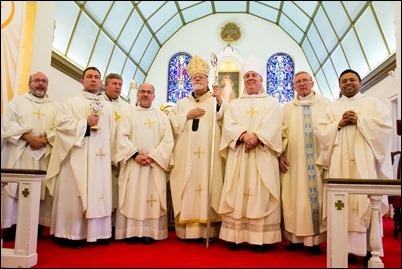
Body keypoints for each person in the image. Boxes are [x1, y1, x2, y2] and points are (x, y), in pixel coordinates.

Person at [315, 69, 393, 266]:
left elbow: (385, 129)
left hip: (364, 162)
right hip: (339, 162)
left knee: (366, 203)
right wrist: (338, 124)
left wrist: (360, 120)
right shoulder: (331, 108)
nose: (348, 83)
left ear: (360, 82)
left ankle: (369, 249)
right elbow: (320, 132)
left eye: (352, 80)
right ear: (339, 85)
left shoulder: (372, 104)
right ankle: (345, 249)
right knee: (342, 205)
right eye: (344, 81)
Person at [44, 66, 115, 249]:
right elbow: (61, 124)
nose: (93, 80)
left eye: (96, 77)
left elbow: (112, 134)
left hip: (100, 160)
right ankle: (70, 234)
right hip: (76, 157)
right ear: (81, 81)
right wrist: (85, 124)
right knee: (75, 194)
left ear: (101, 82)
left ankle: (98, 233)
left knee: (98, 193)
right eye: (89, 77)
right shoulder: (70, 103)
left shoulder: (107, 107)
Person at [218, 56, 283, 253]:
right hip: (240, 156)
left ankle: (259, 238)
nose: (250, 79)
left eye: (254, 75)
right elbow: (229, 124)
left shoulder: (272, 102)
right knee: (238, 191)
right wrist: (243, 136)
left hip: (262, 155)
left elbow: (274, 124)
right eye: (247, 76)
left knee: (260, 193)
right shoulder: (235, 104)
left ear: (261, 79)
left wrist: (256, 138)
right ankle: (234, 236)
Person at [168, 55, 225, 242]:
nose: (198, 79)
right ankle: (187, 232)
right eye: (194, 77)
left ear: (208, 80)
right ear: (190, 81)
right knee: (186, 186)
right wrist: (186, 115)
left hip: (210, 155)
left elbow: (226, 120)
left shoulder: (215, 101)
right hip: (186, 157)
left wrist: (220, 102)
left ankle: (208, 231)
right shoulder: (182, 103)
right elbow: (172, 124)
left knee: (210, 185)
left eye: (201, 76)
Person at [113, 82, 174, 245]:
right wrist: (135, 155)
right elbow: (121, 137)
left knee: (151, 197)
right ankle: (130, 232)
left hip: (153, 166)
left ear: (154, 96)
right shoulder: (128, 114)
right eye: (142, 92)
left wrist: (153, 156)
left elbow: (168, 141)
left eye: (149, 92)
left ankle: (150, 232)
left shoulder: (161, 116)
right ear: (138, 94)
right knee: (132, 196)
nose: (145, 94)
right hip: (134, 164)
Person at [1, 72, 59, 240]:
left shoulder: (55, 106)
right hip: (20, 153)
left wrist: (45, 139)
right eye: (37, 81)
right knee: (16, 189)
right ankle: (12, 225)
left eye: (44, 81)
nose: (40, 84)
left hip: (43, 154)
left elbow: (59, 127)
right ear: (29, 83)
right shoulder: (17, 103)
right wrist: (29, 138)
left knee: (40, 190)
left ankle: (36, 224)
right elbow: (7, 125)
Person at [279, 71, 331, 255]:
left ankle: (314, 241)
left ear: (312, 83)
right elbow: (281, 133)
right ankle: (295, 239)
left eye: (305, 81)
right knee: (292, 198)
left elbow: (332, 130)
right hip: (293, 160)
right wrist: (280, 154)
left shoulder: (326, 105)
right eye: (298, 82)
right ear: (293, 86)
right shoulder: (286, 108)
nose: (302, 84)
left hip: (317, 161)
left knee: (314, 199)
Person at [102, 73, 133, 236]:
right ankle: (101, 226)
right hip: (100, 155)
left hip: (120, 156)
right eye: (114, 83)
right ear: (105, 85)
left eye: (120, 84)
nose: (117, 87)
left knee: (117, 191)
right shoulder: (97, 103)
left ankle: (115, 225)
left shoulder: (128, 108)